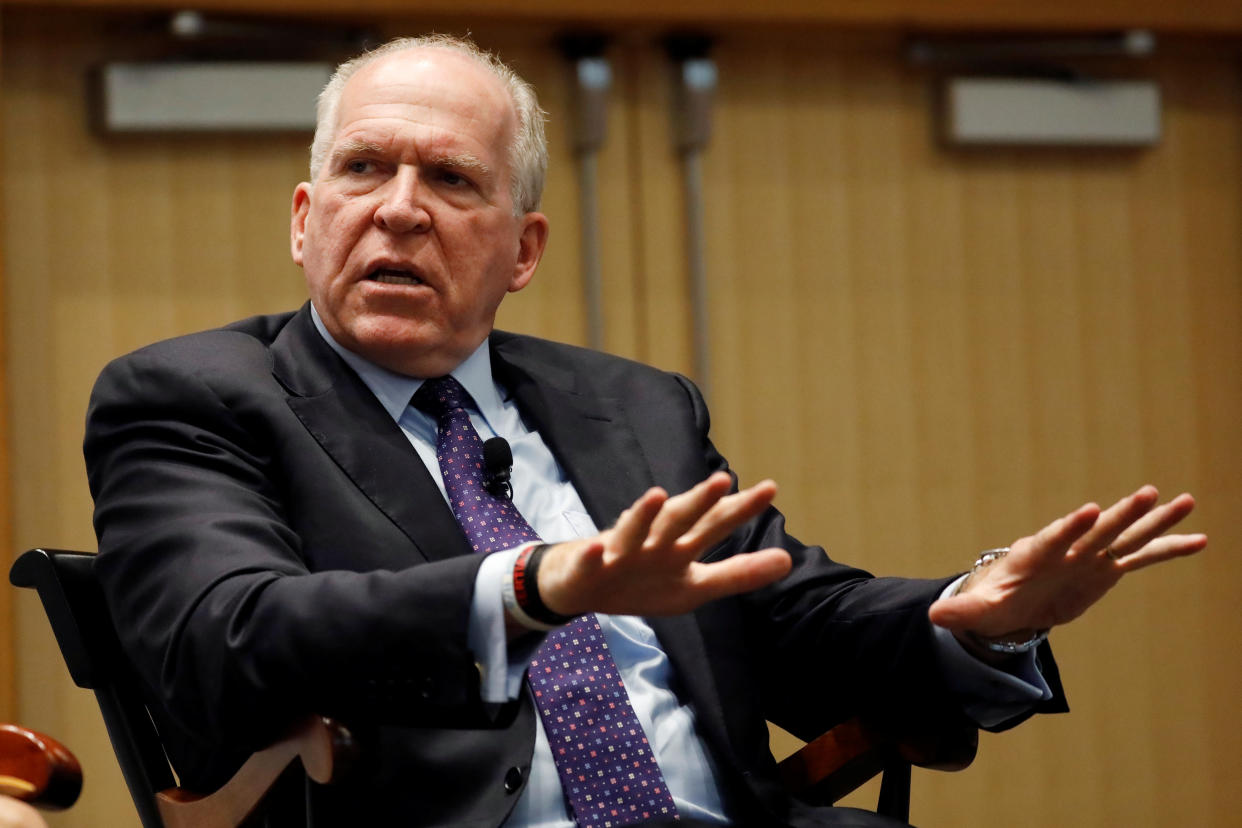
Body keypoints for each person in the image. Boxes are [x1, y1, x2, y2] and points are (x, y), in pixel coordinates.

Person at [83, 35, 1206, 828]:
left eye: (450, 179)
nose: (399, 207)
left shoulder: (633, 405)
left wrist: (965, 621)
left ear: (523, 251)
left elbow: (779, 609)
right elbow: (223, 638)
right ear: (304, 215)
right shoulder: (191, 397)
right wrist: (533, 587)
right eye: (364, 168)